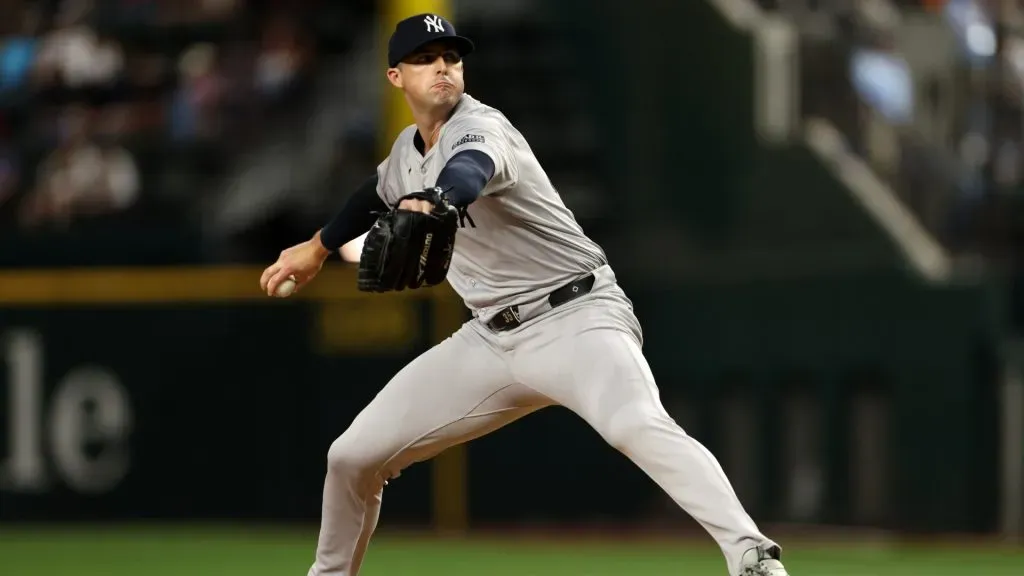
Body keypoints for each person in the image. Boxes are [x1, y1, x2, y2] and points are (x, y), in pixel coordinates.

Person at [259, 14, 791, 576]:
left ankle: (752, 557)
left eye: (451, 56)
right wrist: (318, 247)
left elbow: (471, 168)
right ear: (395, 76)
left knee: (633, 422)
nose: (442, 67)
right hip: (489, 340)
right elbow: (378, 190)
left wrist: (437, 197)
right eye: (424, 58)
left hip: (577, 316)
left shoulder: (480, 127)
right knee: (350, 458)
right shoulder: (406, 151)